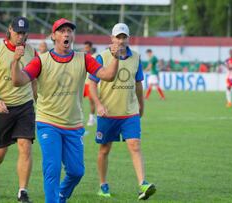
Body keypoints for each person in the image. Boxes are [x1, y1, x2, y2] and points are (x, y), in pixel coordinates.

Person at [11, 18, 120, 203]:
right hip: (48, 123)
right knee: (52, 169)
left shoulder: (84, 59)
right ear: (54, 36)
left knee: (77, 172)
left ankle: (62, 195)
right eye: (62, 31)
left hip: (73, 125)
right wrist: (15, 61)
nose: (66, 34)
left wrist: (116, 58)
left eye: (69, 30)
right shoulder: (41, 61)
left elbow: (108, 76)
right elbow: (18, 81)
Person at [89, 23, 156, 200]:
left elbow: (138, 84)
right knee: (104, 150)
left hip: (130, 112)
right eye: (117, 37)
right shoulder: (101, 57)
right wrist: (98, 104)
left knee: (135, 145)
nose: (121, 40)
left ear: (128, 38)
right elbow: (92, 84)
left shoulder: (136, 57)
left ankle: (143, 184)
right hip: (108, 113)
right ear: (112, 38)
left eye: (124, 37)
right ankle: (103, 185)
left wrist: (141, 105)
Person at [0, 16, 36, 203]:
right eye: (17, 32)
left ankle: (22, 192)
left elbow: (34, 80)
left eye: (24, 33)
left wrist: (39, 100)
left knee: (25, 146)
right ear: (10, 30)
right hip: (2, 107)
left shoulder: (32, 52)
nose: (21, 36)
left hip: (25, 106)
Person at [83, 41, 96, 126]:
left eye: (87, 47)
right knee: (77, 101)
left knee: (92, 101)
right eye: (85, 47)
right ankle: (78, 119)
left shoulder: (95, 57)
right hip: (83, 83)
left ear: (91, 47)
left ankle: (91, 118)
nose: (86, 49)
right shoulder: (83, 56)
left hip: (91, 83)